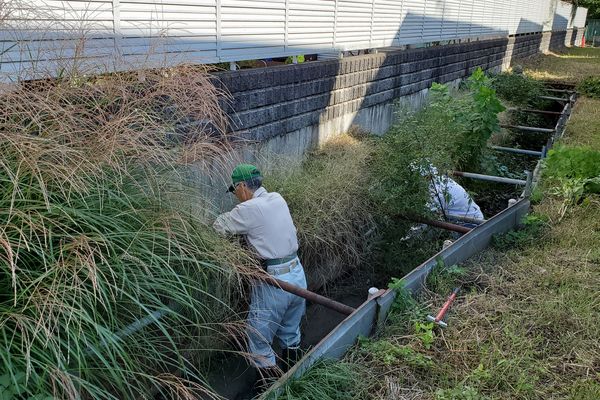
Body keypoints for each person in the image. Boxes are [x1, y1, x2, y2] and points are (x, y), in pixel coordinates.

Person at [213, 164, 307, 393]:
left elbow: (218, 227)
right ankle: (294, 385)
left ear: (243, 186)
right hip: (297, 276)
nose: (235, 196)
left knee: (257, 340)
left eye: (235, 190)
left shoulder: (248, 209)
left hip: (275, 283)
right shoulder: (277, 198)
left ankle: (269, 391)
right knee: (290, 332)